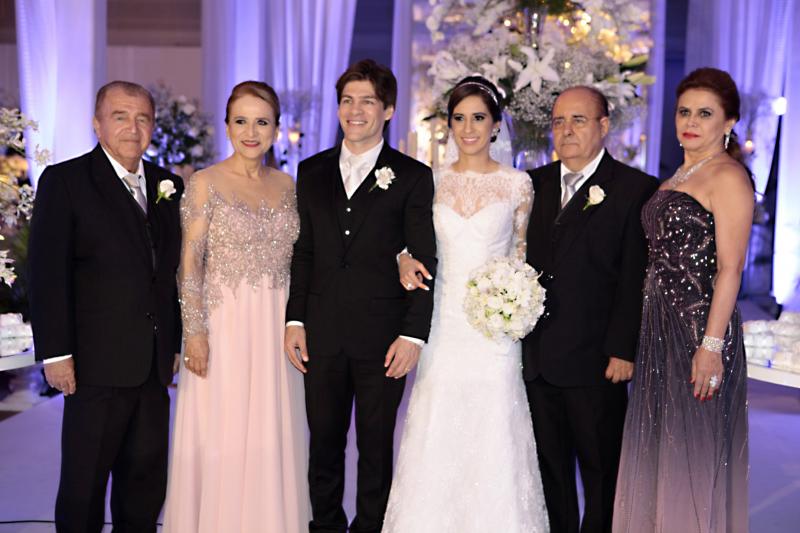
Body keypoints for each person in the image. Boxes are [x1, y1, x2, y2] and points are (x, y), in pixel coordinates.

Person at [387, 76, 549, 532]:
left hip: (494, 333)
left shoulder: (517, 184)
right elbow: (406, 241)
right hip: (442, 327)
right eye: (459, 118)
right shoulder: (431, 181)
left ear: (496, 125)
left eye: (478, 118)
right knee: (437, 429)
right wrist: (401, 258)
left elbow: (521, 256)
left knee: (493, 431)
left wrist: (516, 303)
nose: (468, 128)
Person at [284, 59, 436, 533]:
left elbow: (424, 259)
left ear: (387, 110)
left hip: (383, 338)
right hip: (322, 332)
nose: (355, 110)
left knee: (376, 447)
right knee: (323, 445)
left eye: (367, 101)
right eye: (347, 100)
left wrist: (413, 334)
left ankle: (371, 527)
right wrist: (295, 320)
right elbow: (304, 251)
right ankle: (326, 526)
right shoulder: (310, 171)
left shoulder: (412, 176)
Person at [28, 81, 184, 532]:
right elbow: (47, 273)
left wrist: (172, 342)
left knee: (144, 487)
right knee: (84, 488)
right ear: (97, 124)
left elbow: (169, 274)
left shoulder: (168, 185)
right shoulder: (65, 181)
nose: (133, 128)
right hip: (93, 366)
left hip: (152, 367)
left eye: (142, 118)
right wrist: (56, 353)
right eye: (120, 117)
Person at [163, 81, 310, 532]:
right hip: (223, 326)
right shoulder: (204, 183)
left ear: (276, 130)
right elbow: (189, 264)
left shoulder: (287, 185)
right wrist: (195, 332)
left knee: (271, 430)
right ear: (227, 126)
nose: (251, 132)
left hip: (275, 328)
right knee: (223, 432)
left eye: (261, 122)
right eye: (241, 121)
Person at [612, 67, 752, 533]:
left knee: (689, 452)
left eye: (705, 113)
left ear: (729, 122)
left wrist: (710, 346)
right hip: (659, 330)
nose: (691, 122)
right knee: (661, 451)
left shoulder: (727, 176)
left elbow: (731, 267)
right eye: (684, 112)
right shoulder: (679, 176)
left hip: (697, 331)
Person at [524, 86, 658, 533]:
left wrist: (623, 349)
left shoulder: (635, 189)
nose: (566, 130)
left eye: (578, 120)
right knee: (550, 472)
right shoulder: (533, 184)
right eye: (558, 121)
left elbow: (635, 277)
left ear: (604, 126)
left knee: (601, 474)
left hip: (597, 360)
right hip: (538, 359)